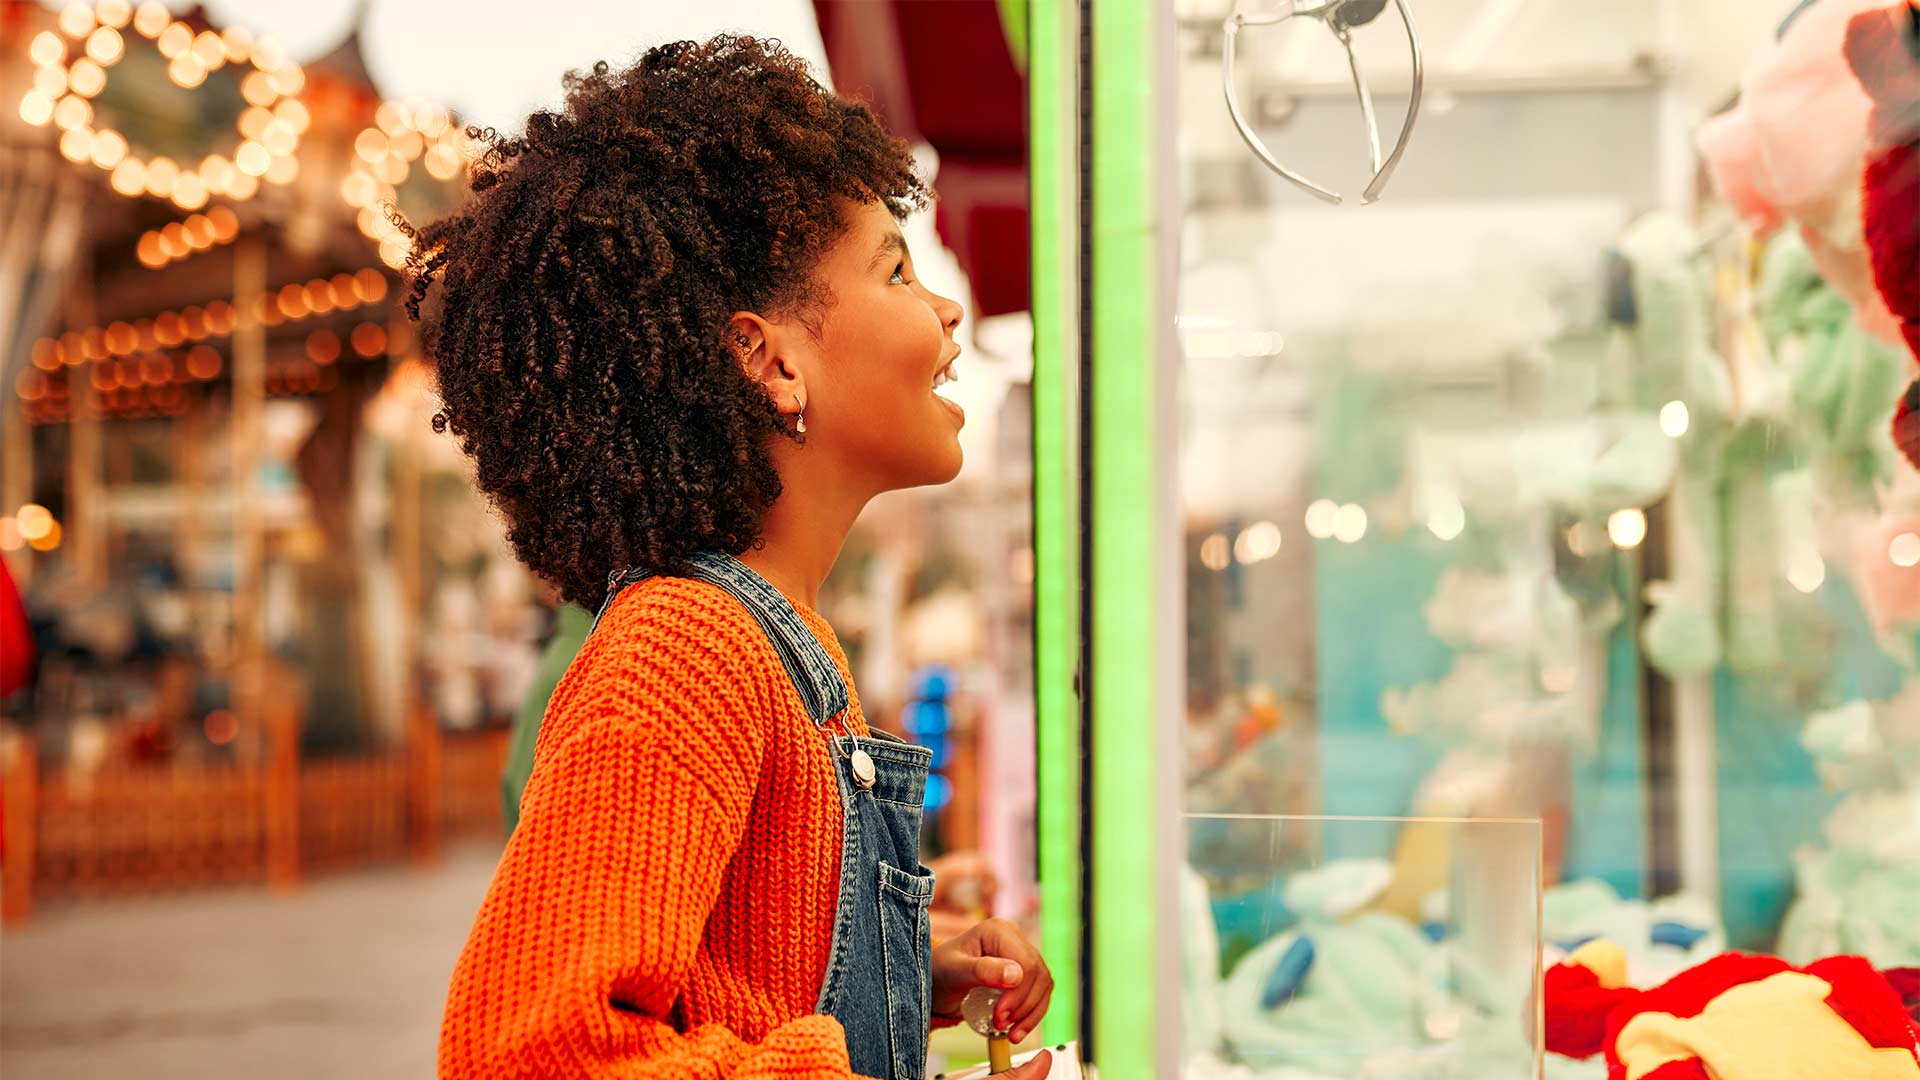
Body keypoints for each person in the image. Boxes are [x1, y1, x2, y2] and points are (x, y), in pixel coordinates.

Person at [415, 36, 1053, 1080]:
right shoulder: (688, 653)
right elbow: (533, 1057)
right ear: (768, 359)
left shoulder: (776, 644)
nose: (943, 309)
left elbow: (731, 987)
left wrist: (904, 974)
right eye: (895, 268)